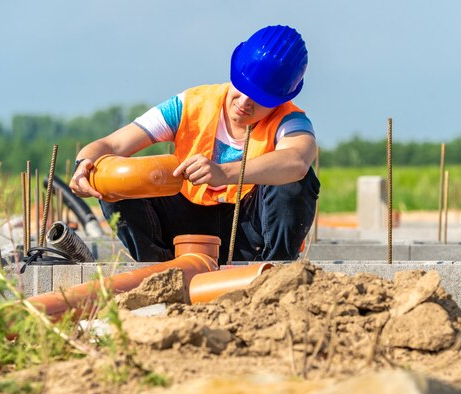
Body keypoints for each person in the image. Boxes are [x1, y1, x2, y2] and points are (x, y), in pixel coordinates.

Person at [69, 25, 319, 264]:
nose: (243, 101)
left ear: (280, 99)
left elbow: (296, 161)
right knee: (114, 179)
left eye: (259, 98)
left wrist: (223, 173)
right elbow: (110, 144)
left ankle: (274, 271)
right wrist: (83, 165)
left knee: (295, 180)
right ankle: (160, 270)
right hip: (183, 226)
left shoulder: (291, 121)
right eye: (241, 87)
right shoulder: (191, 104)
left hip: (249, 234)